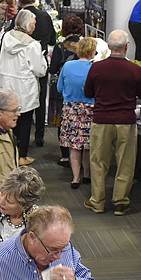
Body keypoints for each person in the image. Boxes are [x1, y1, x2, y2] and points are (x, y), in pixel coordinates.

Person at [83, 30, 141, 216]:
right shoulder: (135, 70)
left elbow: (88, 92)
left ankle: (97, 201)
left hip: (101, 120)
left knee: (98, 162)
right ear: (126, 47)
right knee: (125, 163)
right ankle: (120, 202)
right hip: (126, 122)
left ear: (108, 46)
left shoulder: (96, 68)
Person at [0, 8, 48, 165]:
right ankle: (22, 156)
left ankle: (9, 153)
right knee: (25, 121)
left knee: (8, 121)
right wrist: (44, 60)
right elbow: (40, 70)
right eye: (33, 24)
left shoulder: (5, 37)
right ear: (27, 25)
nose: (34, 27)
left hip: (6, 83)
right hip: (25, 88)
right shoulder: (32, 45)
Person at [18, 0, 56, 147]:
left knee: (23, 97)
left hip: (23, 65)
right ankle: (39, 135)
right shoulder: (45, 16)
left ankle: (21, 133)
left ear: (19, 2)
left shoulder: (19, 17)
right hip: (42, 61)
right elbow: (53, 39)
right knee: (40, 98)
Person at [0, 166, 45, 246]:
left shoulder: (38, 220)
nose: (1, 201)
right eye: (1, 193)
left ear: (26, 205)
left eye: (9, 202)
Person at [58, 37, 97, 188]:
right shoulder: (94, 68)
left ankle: (76, 178)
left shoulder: (67, 66)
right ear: (92, 51)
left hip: (71, 109)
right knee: (88, 144)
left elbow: (60, 88)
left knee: (74, 146)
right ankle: (87, 174)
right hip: (90, 110)